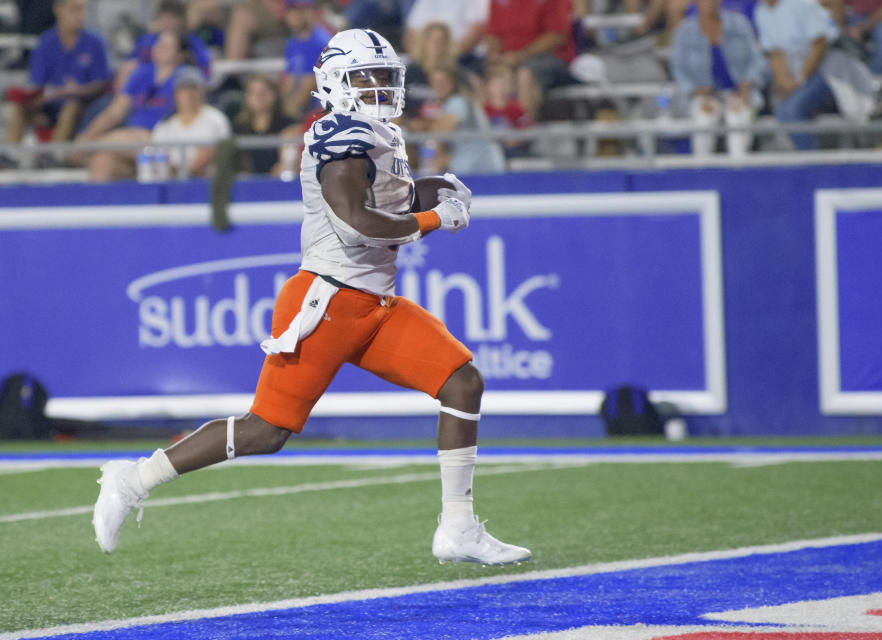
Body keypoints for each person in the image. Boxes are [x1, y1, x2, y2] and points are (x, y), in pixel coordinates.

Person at [92, 28, 531, 568]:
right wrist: (435, 218)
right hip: (327, 302)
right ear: (337, 84)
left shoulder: (380, 135)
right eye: (366, 77)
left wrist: (435, 187)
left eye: (385, 77)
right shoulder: (336, 134)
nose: (380, 87)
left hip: (375, 304)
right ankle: (132, 479)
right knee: (265, 431)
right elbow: (356, 221)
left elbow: (389, 199)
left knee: (462, 381)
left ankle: (458, 528)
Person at [2, 0, 110, 166]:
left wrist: (75, 91)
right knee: (18, 107)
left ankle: (53, 156)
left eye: (82, 10)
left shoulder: (94, 42)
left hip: (82, 106)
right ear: (58, 9)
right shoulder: (46, 42)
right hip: (49, 104)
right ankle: (11, 156)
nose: (79, 16)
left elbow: (101, 84)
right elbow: (37, 84)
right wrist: (37, 105)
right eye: (74, 9)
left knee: (71, 106)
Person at [75, 30, 191, 182]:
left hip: (162, 139)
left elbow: (187, 114)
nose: (160, 48)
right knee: (102, 161)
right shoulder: (142, 73)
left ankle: (83, 148)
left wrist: (86, 143)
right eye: (159, 44)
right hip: (131, 141)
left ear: (180, 54)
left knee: (114, 142)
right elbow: (115, 112)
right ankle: (96, 202)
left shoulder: (184, 77)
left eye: (167, 46)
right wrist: (88, 134)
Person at [670, 0, 768, 156]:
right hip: (703, 95)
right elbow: (678, 72)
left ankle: (738, 168)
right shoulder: (684, 31)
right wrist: (697, 92)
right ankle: (702, 170)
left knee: (737, 118)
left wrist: (746, 85)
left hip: (738, 93)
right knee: (703, 119)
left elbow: (758, 62)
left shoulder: (739, 24)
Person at [754, 0, 839, 150]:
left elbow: (820, 43)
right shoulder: (761, 11)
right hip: (796, 77)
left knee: (792, 110)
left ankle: (812, 167)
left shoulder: (801, 3)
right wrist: (784, 80)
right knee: (781, 109)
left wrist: (800, 79)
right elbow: (775, 52)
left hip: (829, 71)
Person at [484, 0, 578, 120]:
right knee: (480, 76)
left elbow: (556, 36)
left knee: (525, 75)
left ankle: (522, 131)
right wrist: (496, 56)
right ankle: (490, 132)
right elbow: (493, 35)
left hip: (549, 57)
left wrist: (520, 56)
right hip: (508, 58)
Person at [407, 66, 506, 175]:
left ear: (453, 83)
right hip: (470, 165)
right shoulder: (448, 104)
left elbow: (439, 134)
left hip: (482, 167)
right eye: (434, 82)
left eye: (443, 82)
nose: (438, 86)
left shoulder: (458, 101)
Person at [151, 67, 232, 178]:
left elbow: (226, 154)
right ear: (176, 94)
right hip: (173, 184)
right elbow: (158, 161)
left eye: (193, 89)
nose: (188, 94)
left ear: (202, 91)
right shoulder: (164, 126)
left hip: (208, 183)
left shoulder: (216, 120)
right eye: (183, 89)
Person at [232, 74, 300, 175]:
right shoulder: (239, 127)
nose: (259, 96)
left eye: (264, 92)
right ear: (246, 97)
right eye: (253, 92)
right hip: (246, 183)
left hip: (278, 181)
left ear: (275, 94)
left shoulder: (289, 124)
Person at [823, 0, 882, 73]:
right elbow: (836, 9)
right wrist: (844, 31)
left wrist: (863, 28)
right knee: (828, 29)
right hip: (857, 18)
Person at [281, 0, 333, 118]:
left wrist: (287, 113)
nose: (297, 14)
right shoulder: (292, 42)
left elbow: (308, 87)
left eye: (302, 9)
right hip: (300, 109)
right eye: (292, 9)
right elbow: (289, 81)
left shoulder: (320, 41)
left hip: (320, 111)